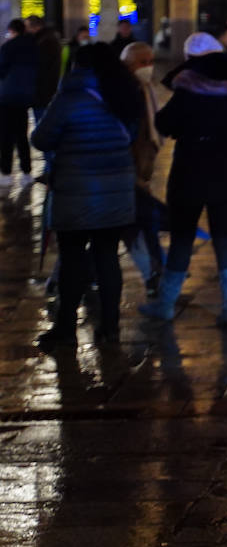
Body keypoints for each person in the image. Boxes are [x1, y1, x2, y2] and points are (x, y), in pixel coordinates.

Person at [30, 43, 141, 343]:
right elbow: (132, 134)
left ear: (78, 66)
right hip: (116, 193)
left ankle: (66, 328)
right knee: (107, 258)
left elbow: (41, 138)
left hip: (75, 192)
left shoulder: (69, 97)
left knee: (73, 260)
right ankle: (111, 328)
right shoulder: (125, 94)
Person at [140, 33, 227, 327]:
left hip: (192, 166)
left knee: (182, 237)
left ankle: (164, 305)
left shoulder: (189, 87)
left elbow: (165, 122)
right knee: (225, 238)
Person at [120, 42, 165, 298]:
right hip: (129, 174)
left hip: (140, 174)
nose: (149, 67)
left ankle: (156, 271)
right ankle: (154, 273)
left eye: (151, 61)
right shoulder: (127, 93)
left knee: (138, 225)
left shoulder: (146, 89)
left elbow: (150, 135)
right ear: (128, 64)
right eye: (143, 62)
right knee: (133, 228)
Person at [0, 18, 38, 185]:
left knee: (6, 137)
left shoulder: (8, 47)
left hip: (7, 97)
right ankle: (27, 172)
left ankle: (6, 173)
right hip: (25, 97)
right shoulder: (33, 47)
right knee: (22, 135)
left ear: (12, 31)